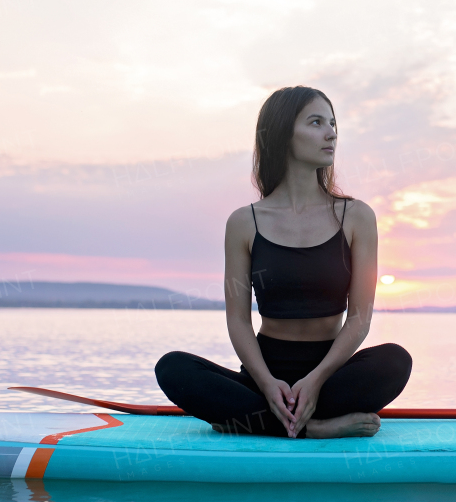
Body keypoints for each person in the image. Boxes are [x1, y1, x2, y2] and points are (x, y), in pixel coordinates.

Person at [155, 86, 412, 439]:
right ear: (282, 133)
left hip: (330, 371)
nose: (331, 133)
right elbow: (238, 321)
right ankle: (316, 428)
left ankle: (260, 422)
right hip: (263, 376)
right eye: (316, 122)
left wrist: (316, 380)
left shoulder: (356, 217)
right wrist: (266, 381)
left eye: (333, 124)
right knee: (173, 368)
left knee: (396, 361)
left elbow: (359, 318)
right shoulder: (244, 222)